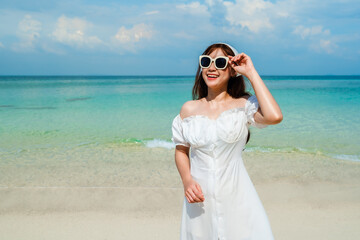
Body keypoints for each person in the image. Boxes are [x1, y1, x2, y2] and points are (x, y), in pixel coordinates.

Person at [171, 42, 283, 240]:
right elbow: (181, 150)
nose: (211, 67)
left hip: (238, 198)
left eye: (220, 62)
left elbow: (274, 116)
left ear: (232, 70)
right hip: (200, 203)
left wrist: (251, 72)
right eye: (206, 61)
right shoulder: (188, 109)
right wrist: (187, 181)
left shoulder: (244, 105)